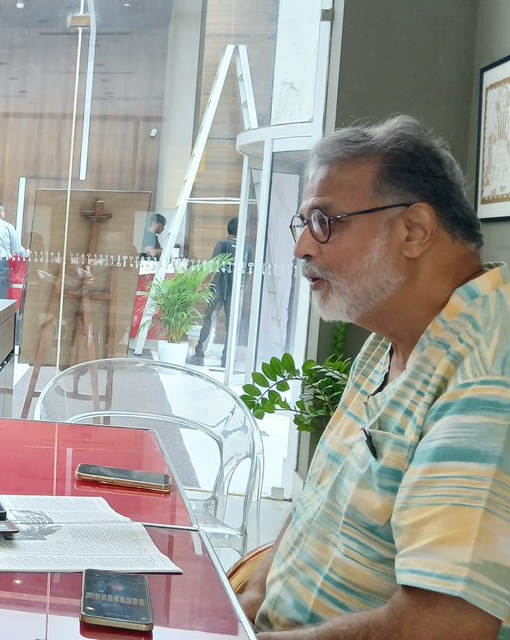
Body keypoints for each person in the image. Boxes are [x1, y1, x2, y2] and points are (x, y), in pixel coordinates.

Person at [239, 115, 509, 639]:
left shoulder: (488, 370)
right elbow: (320, 502)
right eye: (303, 226)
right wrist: (252, 596)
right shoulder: (392, 335)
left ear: (413, 231)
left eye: (325, 222)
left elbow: (441, 628)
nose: (302, 249)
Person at [190, 217, 243, 367]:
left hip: (217, 289)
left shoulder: (222, 244)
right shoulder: (246, 248)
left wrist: (203, 284)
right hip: (234, 291)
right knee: (231, 324)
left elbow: (212, 267)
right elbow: (249, 273)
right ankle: (227, 359)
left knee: (208, 319)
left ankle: (199, 355)